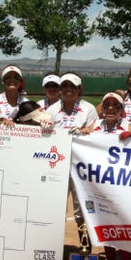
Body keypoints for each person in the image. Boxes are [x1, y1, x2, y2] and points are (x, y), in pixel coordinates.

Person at [45, 72, 98, 244]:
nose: (68, 90)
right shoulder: (51, 110)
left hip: (80, 166)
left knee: (81, 208)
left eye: (72, 87)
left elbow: (95, 134)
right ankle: (53, 247)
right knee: (55, 208)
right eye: (65, 86)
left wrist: (85, 132)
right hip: (56, 165)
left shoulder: (88, 109)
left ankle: (85, 247)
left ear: (79, 89)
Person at [91, 92, 131, 260]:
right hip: (100, 181)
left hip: (121, 182)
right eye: (107, 105)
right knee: (105, 222)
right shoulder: (95, 127)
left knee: (122, 225)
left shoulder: (128, 126)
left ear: (121, 110)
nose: (111, 109)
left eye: (115, 106)